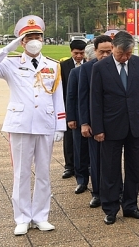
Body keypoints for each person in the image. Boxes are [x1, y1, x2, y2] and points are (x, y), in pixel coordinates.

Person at [0, 15, 65, 235]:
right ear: (22, 41)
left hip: (45, 124)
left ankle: (41, 216)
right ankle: (22, 218)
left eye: (38, 36)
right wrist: (9, 47)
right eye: (29, 36)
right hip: (20, 124)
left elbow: (58, 97)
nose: (35, 39)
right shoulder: (10, 63)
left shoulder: (53, 66)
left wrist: (60, 125)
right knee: (21, 173)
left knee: (44, 173)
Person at [90, 31, 139, 224]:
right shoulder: (100, 67)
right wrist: (98, 128)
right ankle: (110, 208)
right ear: (113, 48)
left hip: (134, 124)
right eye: (120, 54)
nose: (124, 57)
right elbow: (96, 101)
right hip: (110, 126)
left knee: (133, 167)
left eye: (128, 53)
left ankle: (131, 205)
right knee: (110, 168)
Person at [78, 35, 113, 208]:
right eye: (102, 52)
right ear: (95, 51)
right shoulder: (86, 69)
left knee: (113, 159)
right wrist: (84, 122)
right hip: (94, 122)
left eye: (109, 51)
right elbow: (82, 98)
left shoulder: (118, 66)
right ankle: (97, 192)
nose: (105, 55)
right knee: (96, 158)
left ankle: (116, 190)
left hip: (115, 121)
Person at [66, 44, 94, 196]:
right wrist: (71, 117)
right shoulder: (76, 72)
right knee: (80, 151)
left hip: (99, 118)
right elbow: (71, 96)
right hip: (79, 117)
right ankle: (81, 180)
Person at [60, 39, 87, 179]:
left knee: (83, 138)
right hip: (68, 106)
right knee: (69, 138)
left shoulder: (89, 65)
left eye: (81, 53)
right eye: (76, 53)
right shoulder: (63, 66)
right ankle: (69, 166)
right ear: (71, 52)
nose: (79, 56)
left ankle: (83, 165)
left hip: (84, 107)